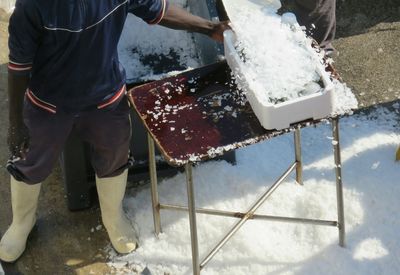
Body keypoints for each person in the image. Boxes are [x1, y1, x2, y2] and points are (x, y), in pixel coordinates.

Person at [0, 0, 229, 262]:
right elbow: (18, 67)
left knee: (114, 156)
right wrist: (17, 123)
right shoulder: (33, 6)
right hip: (48, 103)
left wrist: (210, 27)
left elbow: (159, 10)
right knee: (29, 161)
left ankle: (113, 217)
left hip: (105, 98)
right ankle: (22, 223)